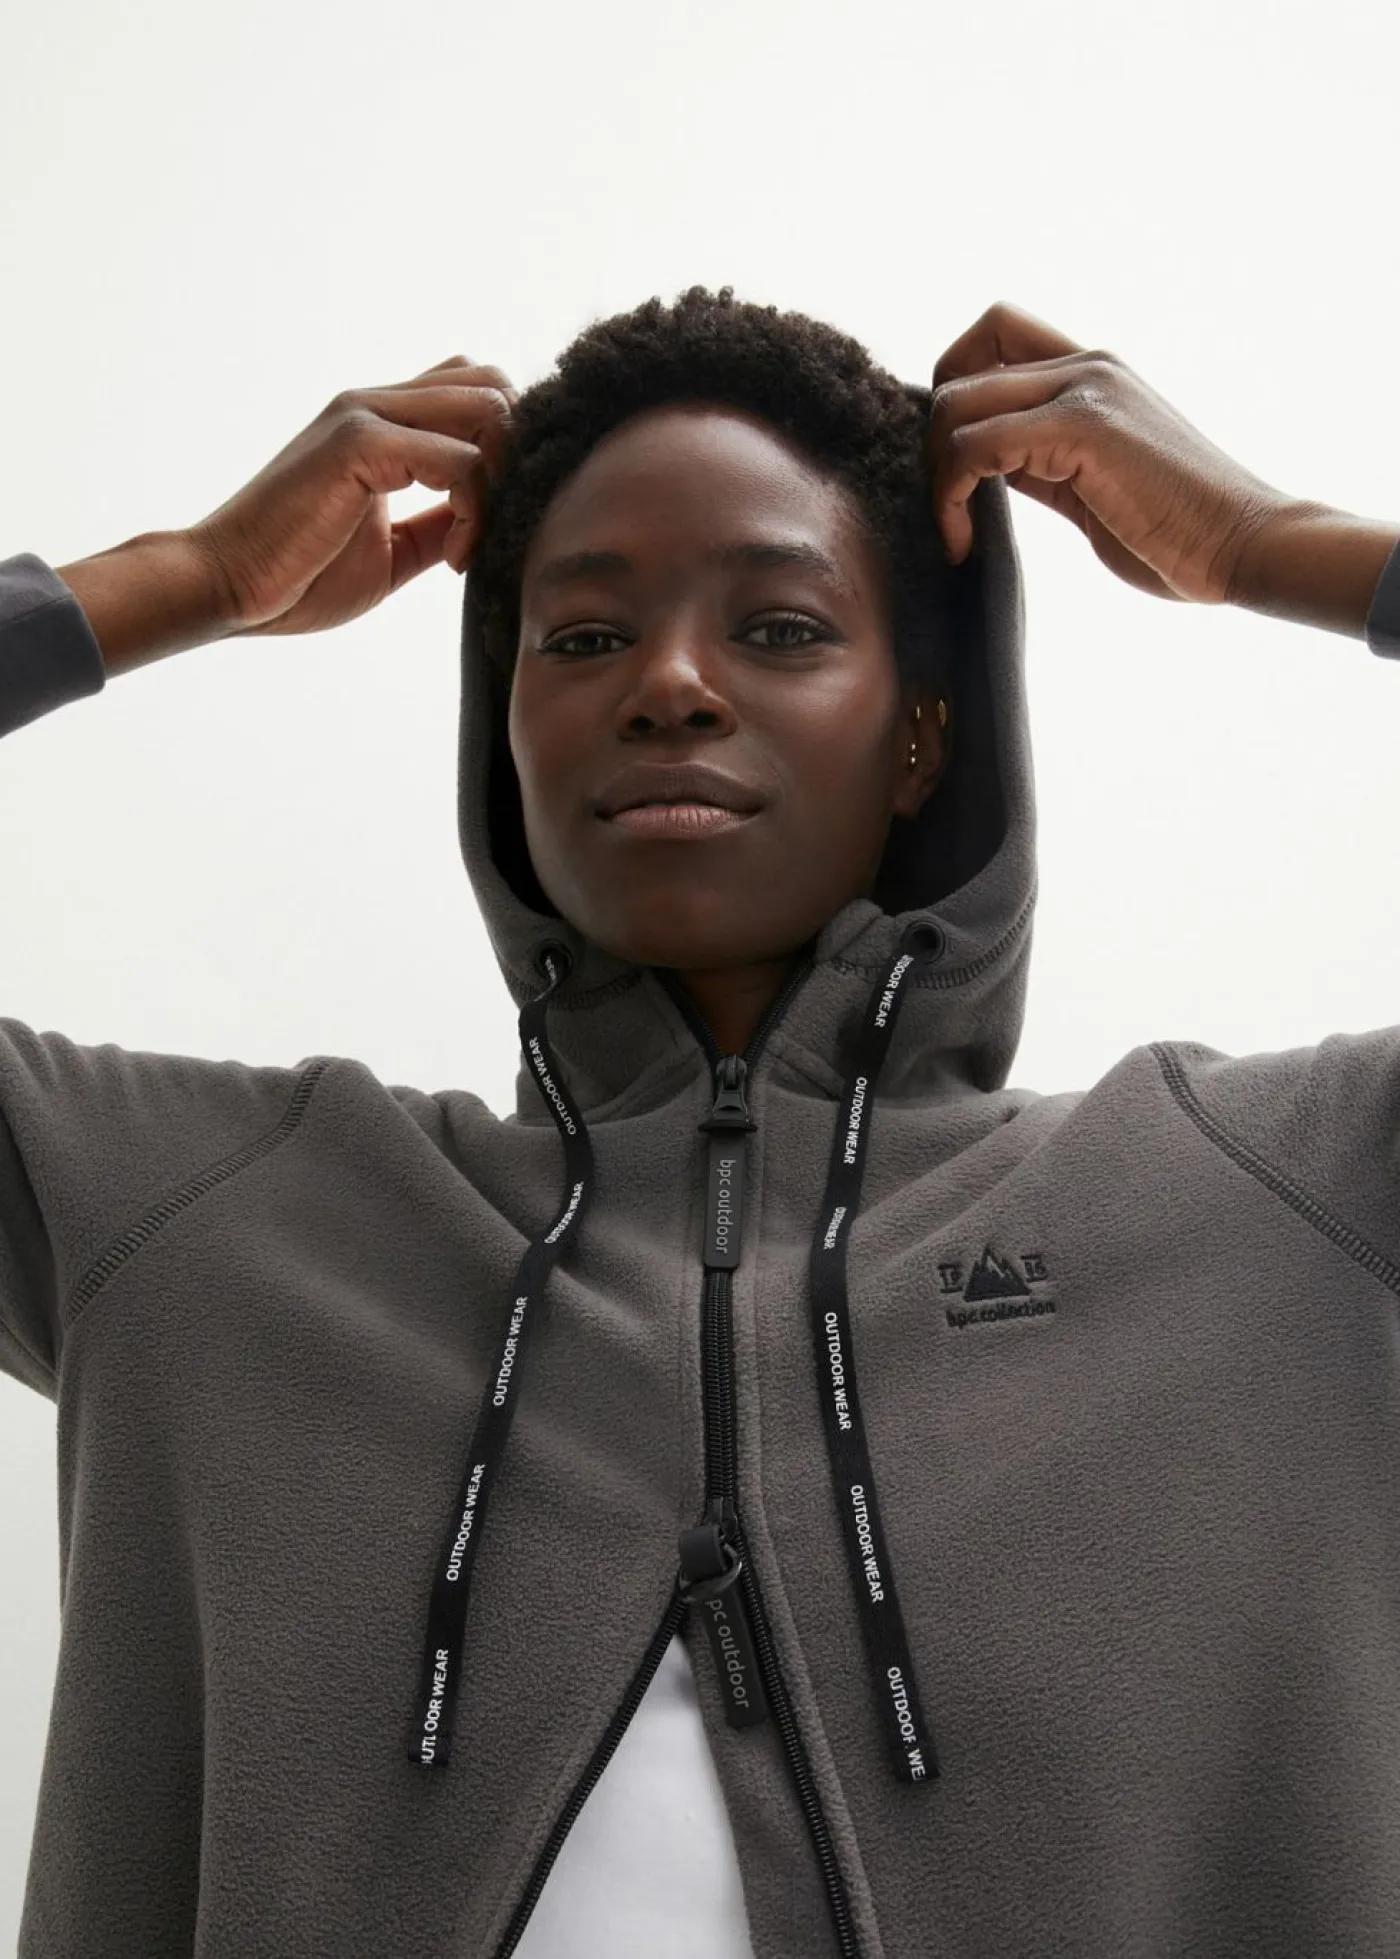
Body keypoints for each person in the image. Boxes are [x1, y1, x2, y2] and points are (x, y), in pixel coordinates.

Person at [2, 284, 1399, 1959]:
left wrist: (1275, 544)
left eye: (782, 628)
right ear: (505, 729)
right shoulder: (209, 1215)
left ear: (922, 734)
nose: (668, 683)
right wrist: (172, 580)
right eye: (585, 637)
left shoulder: (1281, 1203)